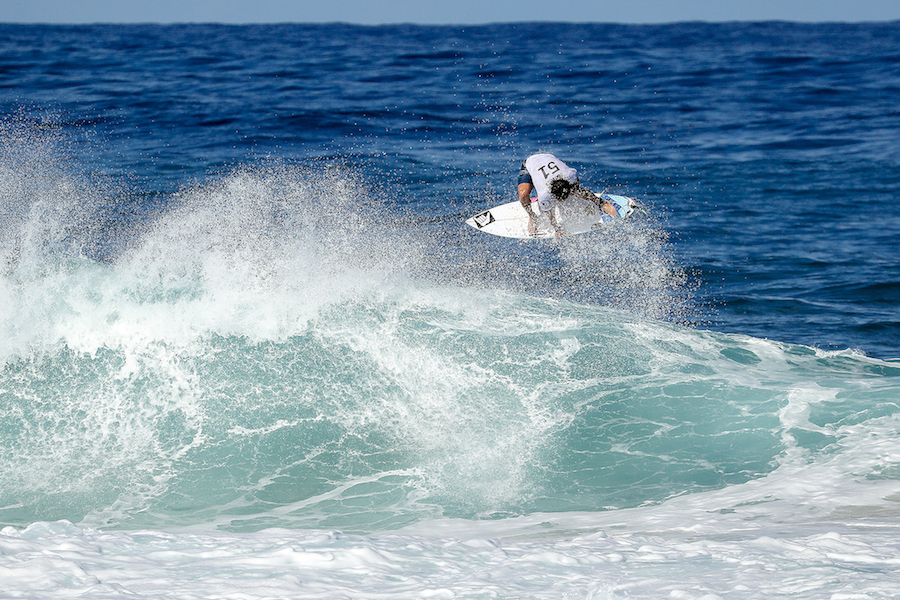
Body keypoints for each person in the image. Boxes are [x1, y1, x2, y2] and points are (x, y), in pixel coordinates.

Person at [517, 153, 618, 237]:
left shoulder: (570, 175)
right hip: (530, 163)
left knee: (576, 191)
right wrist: (557, 228)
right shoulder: (544, 193)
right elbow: (549, 214)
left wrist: (575, 194)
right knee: (523, 194)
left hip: (547, 156)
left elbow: (578, 188)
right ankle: (532, 217)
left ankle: (603, 203)